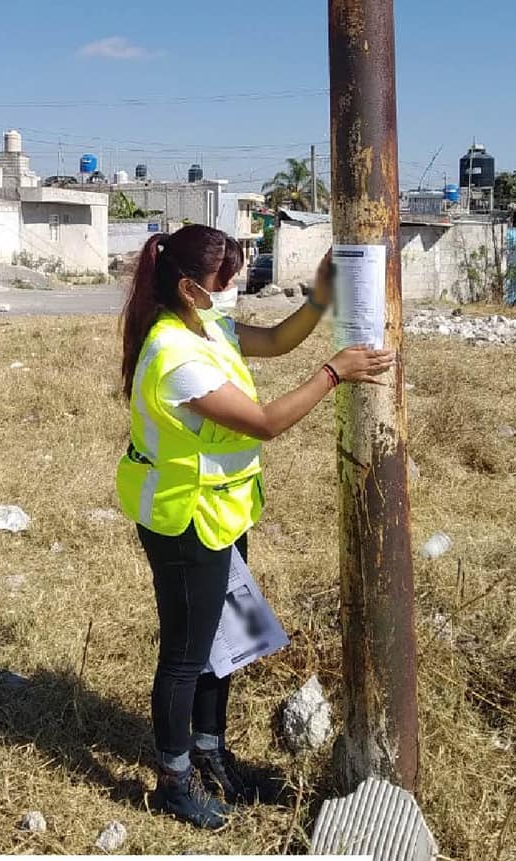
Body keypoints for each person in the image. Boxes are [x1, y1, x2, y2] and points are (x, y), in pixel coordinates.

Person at [116, 224, 394, 829]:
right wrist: (335, 373)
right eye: (225, 278)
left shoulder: (207, 326)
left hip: (223, 511)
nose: (233, 286)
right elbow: (264, 423)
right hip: (184, 519)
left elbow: (275, 340)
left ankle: (213, 754)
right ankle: (173, 777)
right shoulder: (173, 357)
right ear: (190, 288)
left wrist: (320, 298)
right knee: (186, 655)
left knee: (227, 645)